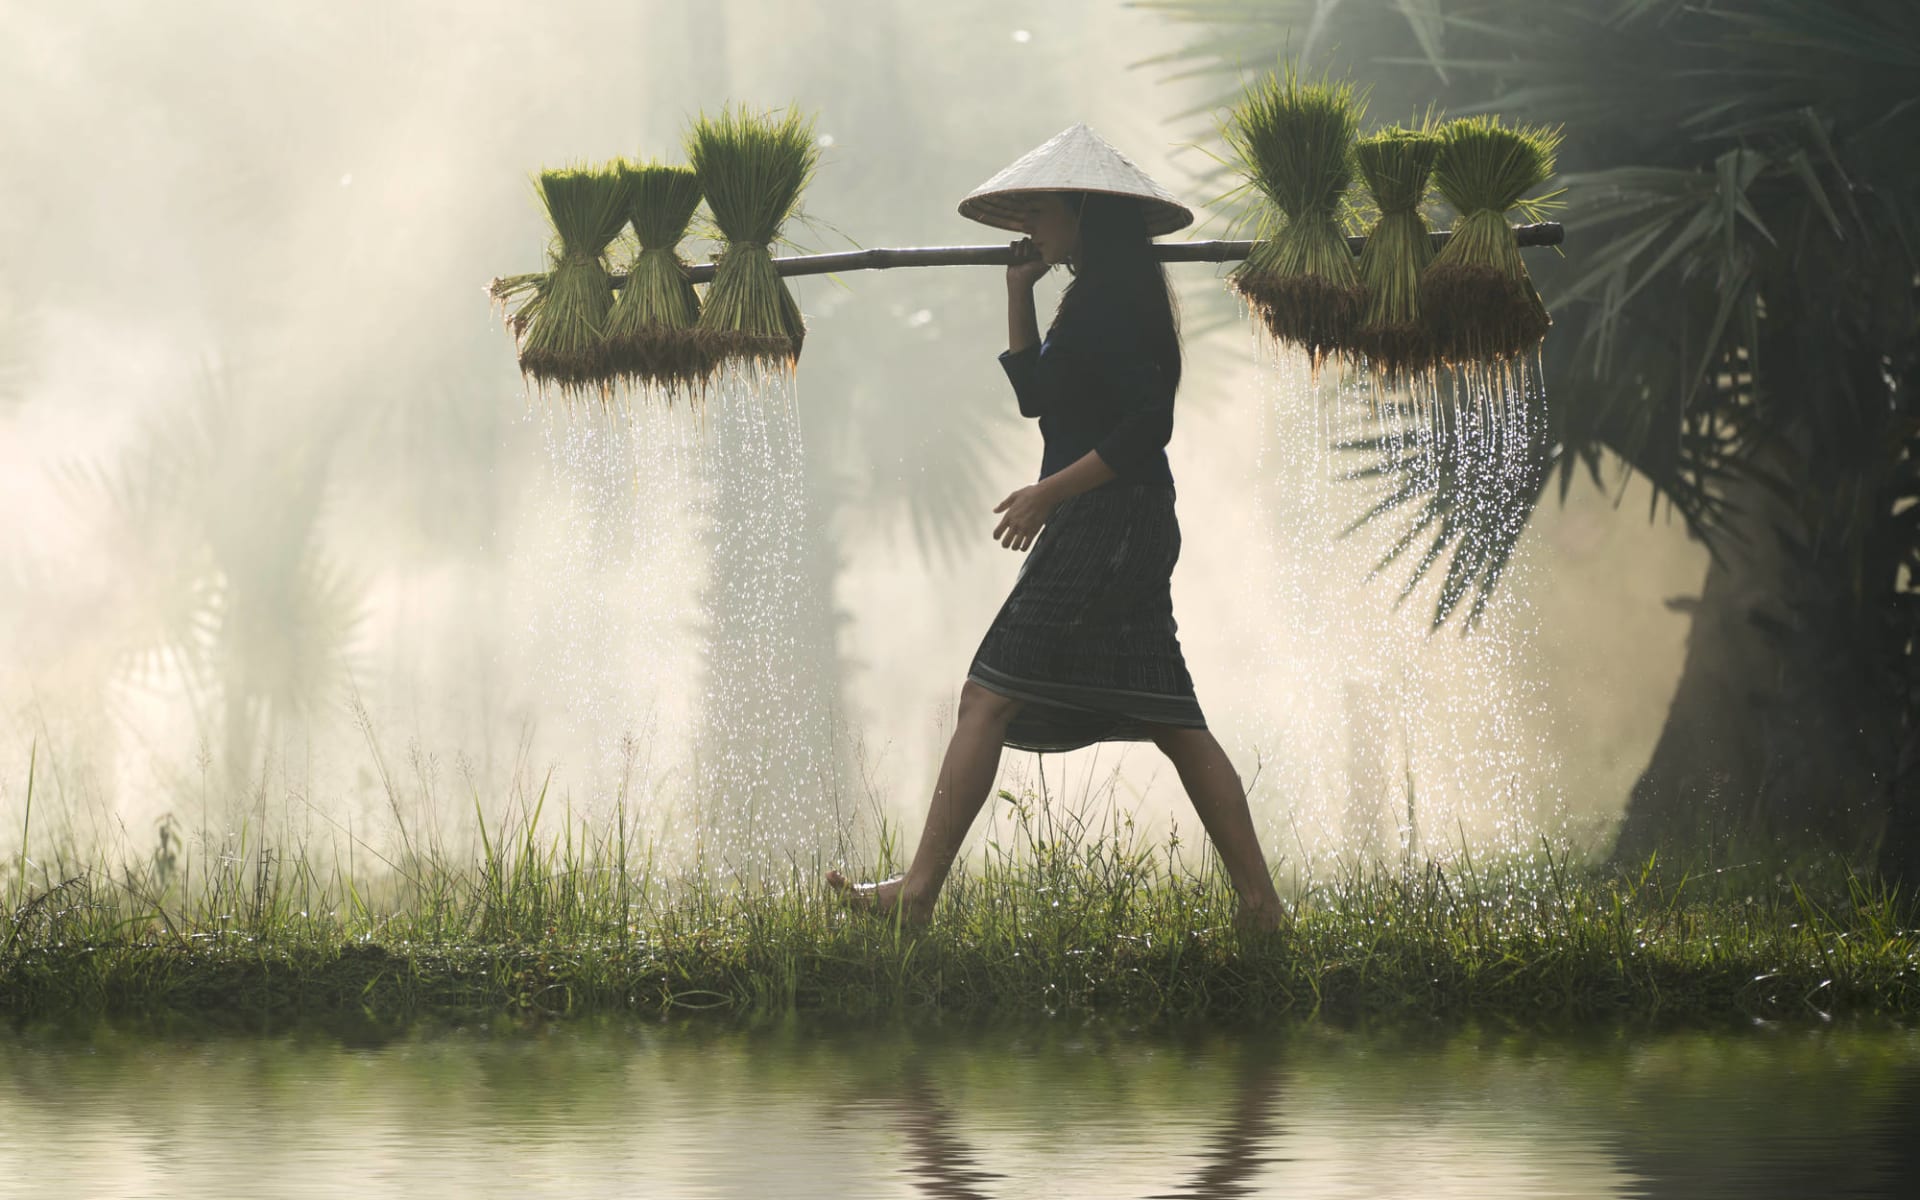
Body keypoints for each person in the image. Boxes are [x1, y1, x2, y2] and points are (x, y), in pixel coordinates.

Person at [828, 124, 1283, 931]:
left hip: (1109, 519)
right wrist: (1018, 292)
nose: (1029, 229)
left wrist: (1049, 496)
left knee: (988, 695)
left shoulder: (1117, 301)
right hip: (1118, 519)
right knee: (1171, 716)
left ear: (1080, 214)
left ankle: (918, 894)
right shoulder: (1094, 296)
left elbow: (1148, 431)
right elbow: (1039, 397)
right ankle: (1261, 906)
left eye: (1039, 213)